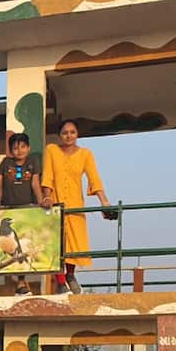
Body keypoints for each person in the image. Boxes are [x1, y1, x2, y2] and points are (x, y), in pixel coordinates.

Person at [41, 119, 116, 295]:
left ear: (77, 134)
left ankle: (70, 275)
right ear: (59, 135)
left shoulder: (85, 154)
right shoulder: (51, 150)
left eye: (72, 132)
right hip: (56, 202)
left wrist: (104, 202)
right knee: (58, 242)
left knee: (75, 241)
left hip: (75, 203)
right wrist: (47, 196)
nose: (69, 136)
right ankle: (60, 282)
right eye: (65, 133)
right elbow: (47, 176)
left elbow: (94, 178)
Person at [0, 132, 46, 296]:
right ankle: (21, 283)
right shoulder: (6, 163)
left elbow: (35, 183)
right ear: (11, 150)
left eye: (23, 147)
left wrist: (41, 201)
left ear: (28, 148)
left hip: (27, 206)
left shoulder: (33, 161)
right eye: (15, 148)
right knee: (11, 249)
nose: (19, 151)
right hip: (8, 206)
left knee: (21, 246)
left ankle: (22, 282)